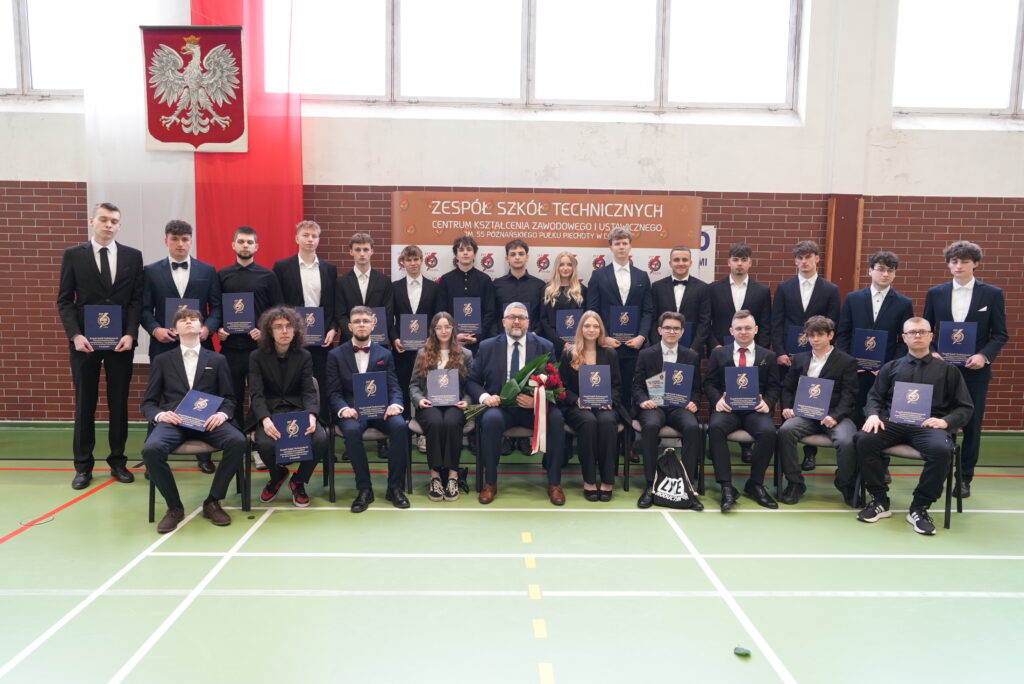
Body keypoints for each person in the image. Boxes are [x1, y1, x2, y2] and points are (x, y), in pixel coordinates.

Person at [854, 317, 974, 535]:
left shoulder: (948, 370)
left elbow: (965, 407)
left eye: (922, 331)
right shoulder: (891, 367)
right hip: (893, 423)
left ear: (931, 336)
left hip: (928, 426)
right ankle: (879, 500)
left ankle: (919, 507)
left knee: (942, 450)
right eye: (912, 332)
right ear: (904, 337)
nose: (917, 335)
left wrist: (945, 421)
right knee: (864, 439)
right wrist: (872, 415)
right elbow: (874, 397)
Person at [57, 202, 144, 490]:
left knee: (119, 403)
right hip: (85, 344)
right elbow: (64, 300)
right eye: (104, 219)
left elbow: (136, 300)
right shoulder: (73, 255)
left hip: (121, 343)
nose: (109, 225)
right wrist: (75, 335)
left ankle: (118, 462)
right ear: (92, 221)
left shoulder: (133, 256)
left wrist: (130, 334)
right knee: (85, 404)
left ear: (120, 225)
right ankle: (83, 466)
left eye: (114, 221)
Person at [140, 309, 246, 533]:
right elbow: (148, 403)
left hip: (208, 422)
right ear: (174, 329)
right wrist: (160, 415)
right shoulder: (162, 360)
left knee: (238, 441)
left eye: (194, 319)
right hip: (175, 422)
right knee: (151, 449)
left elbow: (229, 398)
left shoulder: (217, 359)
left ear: (202, 328)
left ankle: (213, 501)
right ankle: (174, 507)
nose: (188, 321)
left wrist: (221, 415)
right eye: (182, 320)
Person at [923, 241, 1008, 498]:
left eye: (964, 261)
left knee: (971, 426)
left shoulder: (992, 294)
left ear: (976, 264)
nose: (958, 266)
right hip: (942, 372)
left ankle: (964, 479)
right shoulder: (935, 293)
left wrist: (984, 355)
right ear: (948, 264)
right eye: (954, 261)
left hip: (975, 373)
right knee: (940, 422)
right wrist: (932, 351)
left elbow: (1000, 334)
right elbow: (927, 330)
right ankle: (939, 473)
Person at [142, 219, 223, 473]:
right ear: (166, 240)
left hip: (199, 343)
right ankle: (153, 456)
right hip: (163, 345)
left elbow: (217, 308)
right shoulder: (150, 271)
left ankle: (204, 454)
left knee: (202, 393)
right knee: (158, 395)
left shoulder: (207, 270)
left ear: (191, 241)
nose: (180, 244)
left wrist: (208, 328)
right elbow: (144, 309)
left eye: (185, 239)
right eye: (175, 239)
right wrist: (155, 329)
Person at [467, 302, 566, 505]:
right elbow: (471, 380)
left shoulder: (545, 346)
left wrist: (537, 400)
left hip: (533, 409)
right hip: (501, 408)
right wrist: (485, 397)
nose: (517, 321)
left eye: (521, 317)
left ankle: (554, 483)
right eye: (512, 317)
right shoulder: (487, 346)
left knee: (556, 419)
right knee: (491, 420)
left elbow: (555, 384)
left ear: (528, 322)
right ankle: (490, 482)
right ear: (503, 321)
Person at [326, 306, 410, 513]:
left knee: (400, 427)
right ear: (349, 326)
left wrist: (395, 404)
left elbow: (394, 386)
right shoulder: (335, 355)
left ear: (373, 325)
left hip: (382, 409)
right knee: (352, 431)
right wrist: (343, 409)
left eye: (365, 321)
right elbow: (333, 392)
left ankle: (394, 487)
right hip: (353, 410)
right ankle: (365, 489)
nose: (361, 324)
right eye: (357, 321)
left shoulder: (385, 354)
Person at [248, 306, 329, 508]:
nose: (284, 331)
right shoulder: (256, 357)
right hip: (270, 411)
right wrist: (265, 420)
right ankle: (277, 475)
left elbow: (308, 391)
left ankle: (299, 480)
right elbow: (256, 394)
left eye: (288, 326)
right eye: (278, 327)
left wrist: (312, 415)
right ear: (270, 331)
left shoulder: (304, 356)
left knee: (320, 439)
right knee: (265, 444)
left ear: (295, 330)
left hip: (298, 409)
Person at [770, 241, 841, 471]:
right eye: (800, 257)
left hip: (817, 355)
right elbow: (776, 321)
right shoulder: (784, 287)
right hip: (788, 357)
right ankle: (785, 447)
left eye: (808, 257)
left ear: (817, 258)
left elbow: (833, 325)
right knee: (788, 398)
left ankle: (810, 453)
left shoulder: (830, 289)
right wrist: (780, 352)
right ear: (795, 260)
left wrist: (824, 353)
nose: (804, 261)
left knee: (815, 400)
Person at [704, 310, 781, 512]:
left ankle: (755, 484)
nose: (743, 332)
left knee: (768, 432)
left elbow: (774, 386)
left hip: (755, 410)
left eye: (748, 328)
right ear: (731, 331)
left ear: (756, 329)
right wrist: (717, 400)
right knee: (715, 428)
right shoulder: (719, 353)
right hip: (728, 409)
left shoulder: (768, 356)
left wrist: (768, 403)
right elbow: (709, 383)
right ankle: (726, 487)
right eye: (739, 328)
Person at [777, 316, 859, 506]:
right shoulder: (800, 359)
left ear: (830, 335)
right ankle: (795, 483)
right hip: (805, 414)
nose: (815, 339)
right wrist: (787, 407)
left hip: (834, 415)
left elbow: (850, 394)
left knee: (847, 440)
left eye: (820, 335)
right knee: (785, 431)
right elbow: (787, 387)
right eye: (811, 335)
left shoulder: (846, 361)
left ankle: (845, 483)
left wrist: (835, 416)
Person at [632, 312, 703, 510]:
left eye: (676, 328)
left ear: (682, 332)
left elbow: (696, 388)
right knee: (650, 426)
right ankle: (651, 485)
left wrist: (695, 402)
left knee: (692, 427)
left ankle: (687, 487)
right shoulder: (646, 354)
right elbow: (637, 386)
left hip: (679, 407)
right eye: (668, 328)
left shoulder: (691, 356)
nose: (672, 331)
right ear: (659, 330)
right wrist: (643, 401)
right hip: (654, 406)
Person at [836, 251, 914, 425]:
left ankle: (878, 442)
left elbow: (904, 340)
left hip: (885, 369)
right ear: (870, 270)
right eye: (881, 269)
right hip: (855, 369)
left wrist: (891, 365)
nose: (885, 274)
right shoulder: (853, 299)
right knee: (855, 412)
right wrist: (849, 362)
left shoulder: (904, 303)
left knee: (880, 413)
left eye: (890, 270)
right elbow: (843, 333)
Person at [217, 226, 284, 426]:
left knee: (260, 395)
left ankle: (256, 436)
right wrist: (218, 328)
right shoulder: (222, 275)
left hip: (260, 347)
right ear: (233, 245)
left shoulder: (268, 275)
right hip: (231, 347)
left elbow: (278, 309)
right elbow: (215, 306)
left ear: (256, 247)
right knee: (232, 395)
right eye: (241, 242)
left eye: (249, 242)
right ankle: (236, 436)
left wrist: (265, 331)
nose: (245, 246)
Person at [272, 220, 338, 424]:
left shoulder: (329, 269)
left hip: (321, 338)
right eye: (306, 235)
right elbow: (279, 304)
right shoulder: (282, 267)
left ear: (319, 240)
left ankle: (322, 428)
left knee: (321, 382)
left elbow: (332, 303)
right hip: (292, 338)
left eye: (314, 236)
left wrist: (333, 329)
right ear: (297, 238)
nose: (310, 239)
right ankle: (293, 427)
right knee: (292, 382)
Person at [558, 311, 625, 502]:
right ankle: (588, 481)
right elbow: (561, 386)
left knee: (607, 422)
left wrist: (610, 401)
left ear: (600, 330)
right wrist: (576, 400)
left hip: (604, 406)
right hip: (577, 406)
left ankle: (607, 481)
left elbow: (617, 386)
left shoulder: (610, 353)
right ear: (580, 329)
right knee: (588, 422)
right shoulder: (569, 353)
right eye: (587, 326)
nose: (591, 329)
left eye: (596, 326)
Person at [585, 227, 654, 411]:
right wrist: (603, 337)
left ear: (630, 246)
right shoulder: (598, 275)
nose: (621, 247)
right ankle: (610, 424)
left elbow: (648, 311)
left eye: (625, 243)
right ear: (611, 247)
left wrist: (642, 337)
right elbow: (592, 310)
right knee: (607, 388)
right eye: (617, 244)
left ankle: (628, 426)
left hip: (634, 346)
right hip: (607, 346)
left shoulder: (642, 276)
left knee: (630, 390)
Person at [408, 312, 472, 502]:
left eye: (447, 327)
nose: (443, 331)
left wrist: (467, 401)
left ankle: (452, 476)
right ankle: (435, 476)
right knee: (436, 422)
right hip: (430, 404)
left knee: (451, 422)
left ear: (453, 329)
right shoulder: (423, 353)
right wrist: (419, 400)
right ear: (433, 330)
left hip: (456, 404)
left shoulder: (465, 354)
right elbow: (413, 385)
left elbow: (471, 385)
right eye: (439, 327)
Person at [391, 244, 438, 421]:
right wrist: (394, 338)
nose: (412, 263)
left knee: (425, 387)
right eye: (408, 260)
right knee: (402, 385)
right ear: (402, 263)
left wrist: (432, 339)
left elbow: (437, 317)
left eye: (416, 259)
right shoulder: (394, 287)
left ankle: (423, 425)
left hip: (427, 348)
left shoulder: (433, 287)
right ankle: (404, 426)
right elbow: (389, 317)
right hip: (402, 348)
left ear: (422, 261)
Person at [434, 235, 498, 355]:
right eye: (461, 250)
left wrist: (477, 336)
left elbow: (490, 312)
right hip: (451, 343)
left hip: (479, 344)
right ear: (456, 254)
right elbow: (441, 312)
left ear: (474, 253)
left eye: (469, 249)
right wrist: (453, 335)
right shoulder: (446, 280)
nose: (465, 253)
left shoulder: (485, 280)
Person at [707, 242, 771, 351]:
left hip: (752, 352)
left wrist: (759, 350)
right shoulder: (713, 289)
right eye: (735, 260)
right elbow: (706, 322)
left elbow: (766, 325)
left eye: (744, 260)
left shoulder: (762, 291)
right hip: (720, 349)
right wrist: (715, 346)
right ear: (729, 262)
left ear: (750, 263)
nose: (740, 263)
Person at [649, 245, 710, 356]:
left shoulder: (703, 288)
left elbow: (704, 322)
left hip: (692, 350)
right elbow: (653, 319)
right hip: (662, 349)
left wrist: (694, 348)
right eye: (676, 260)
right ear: (670, 263)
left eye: (685, 260)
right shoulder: (657, 287)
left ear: (690, 263)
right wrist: (657, 346)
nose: (681, 263)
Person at [336, 232, 394, 344]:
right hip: (349, 341)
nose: (362, 254)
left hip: (378, 342)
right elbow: (340, 315)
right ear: (351, 251)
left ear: (372, 251)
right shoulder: (341, 282)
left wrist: (370, 336)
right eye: (358, 250)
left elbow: (388, 313)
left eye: (366, 249)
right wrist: (357, 336)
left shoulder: (384, 281)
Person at [539, 251, 588, 359]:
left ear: (574, 267)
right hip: (553, 345)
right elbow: (544, 320)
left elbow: (586, 319)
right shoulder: (547, 290)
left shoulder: (582, 290)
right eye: (562, 264)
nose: (565, 268)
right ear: (557, 267)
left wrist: (578, 342)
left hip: (577, 346)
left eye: (569, 265)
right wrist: (562, 343)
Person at [493, 239, 545, 334]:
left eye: (521, 254)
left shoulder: (539, 285)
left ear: (527, 257)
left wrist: (536, 333)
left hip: (532, 338)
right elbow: (493, 315)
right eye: (513, 254)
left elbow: (543, 316)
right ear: (507, 258)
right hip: (503, 338)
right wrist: (499, 335)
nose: (517, 257)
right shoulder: (496, 285)